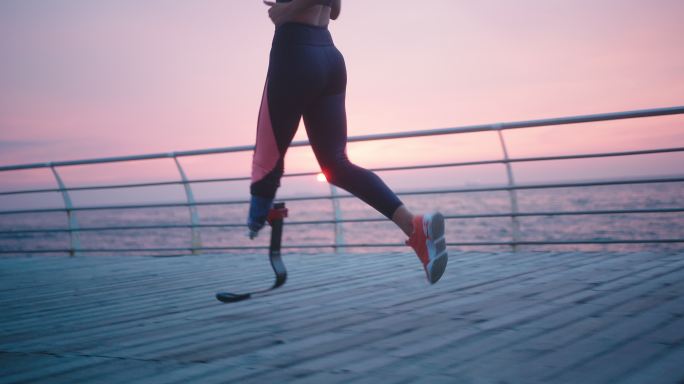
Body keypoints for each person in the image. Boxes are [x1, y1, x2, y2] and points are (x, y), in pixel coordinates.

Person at [247, 0, 448, 284]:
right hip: (329, 57)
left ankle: (254, 222)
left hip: (294, 54)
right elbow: (336, 10)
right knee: (336, 165)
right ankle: (415, 227)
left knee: (267, 157)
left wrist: (282, 10)